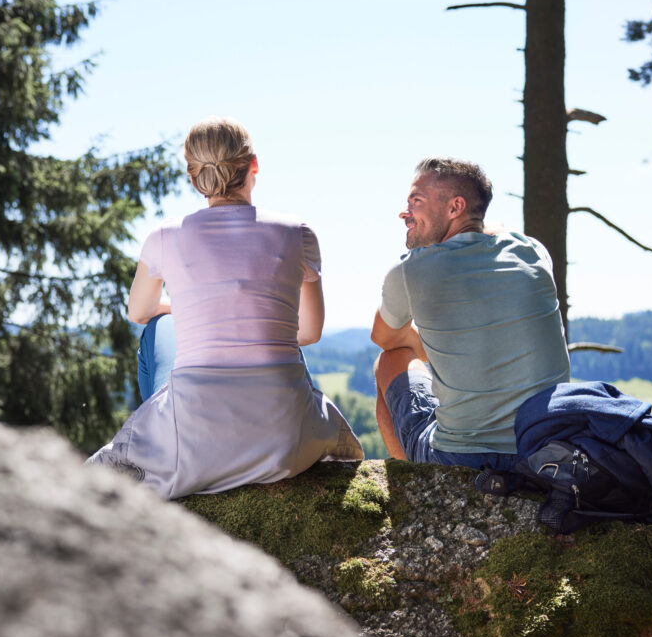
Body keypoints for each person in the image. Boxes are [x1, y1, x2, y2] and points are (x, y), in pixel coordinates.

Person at [87, 117, 363, 497]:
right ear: (253, 166)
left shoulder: (164, 236)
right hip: (286, 448)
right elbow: (309, 332)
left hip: (196, 453)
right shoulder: (297, 232)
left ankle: (166, 440)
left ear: (192, 175)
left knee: (159, 327)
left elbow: (138, 312)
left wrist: (186, 306)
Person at [371, 157, 570, 469]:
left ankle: (415, 481)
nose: (404, 212)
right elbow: (493, 228)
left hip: (460, 457)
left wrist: (430, 347)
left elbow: (384, 338)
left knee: (391, 359)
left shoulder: (412, 272)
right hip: (543, 452)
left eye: (417, 201)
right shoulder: (532, 251)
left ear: (455, 207)